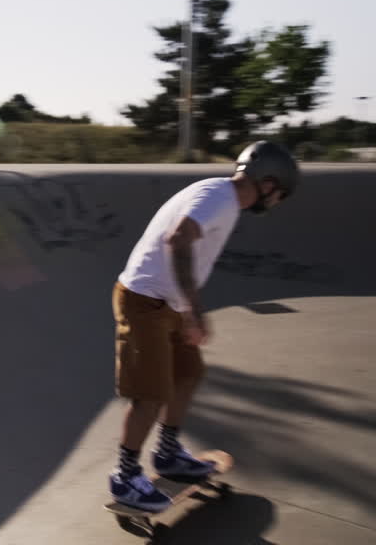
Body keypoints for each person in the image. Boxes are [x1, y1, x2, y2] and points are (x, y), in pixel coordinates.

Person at [108, 140, 300, 512]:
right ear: (269, 183)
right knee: (150, 394)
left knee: (188, 373)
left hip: (169, 303)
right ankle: (125, 476)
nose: (277, 203)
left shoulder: (221, 196)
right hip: (144, 301)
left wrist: (185, 310)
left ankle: (167, 453)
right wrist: (194, 311)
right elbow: (178, 239)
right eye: (281, 196)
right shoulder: (219, 197)